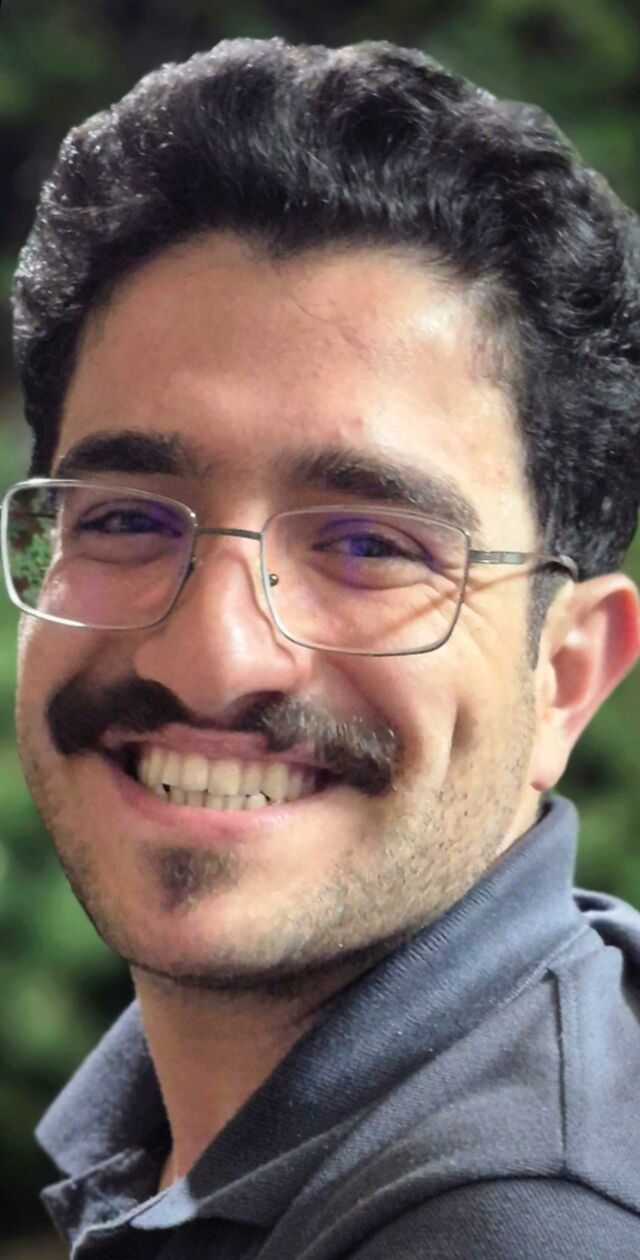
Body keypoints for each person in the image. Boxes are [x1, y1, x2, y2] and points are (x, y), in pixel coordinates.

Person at [5, 36, 640, 1259]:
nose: (211, 657)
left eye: (369, 544)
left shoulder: (518, 1227)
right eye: (126, 519)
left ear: (564, 675)